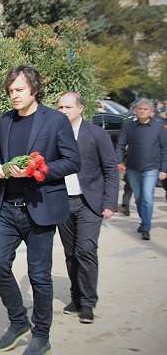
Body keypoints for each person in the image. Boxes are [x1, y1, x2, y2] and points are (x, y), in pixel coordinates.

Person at [0, 66, 80, 355]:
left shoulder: (55, 121)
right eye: (10, 91)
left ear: (34, 90)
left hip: (40, 208)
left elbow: (72, 161)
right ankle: (18, 321)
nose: (13, 95)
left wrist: (36, 170)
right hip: (7, 209)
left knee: (39, 276)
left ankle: (42, 335)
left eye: (19, 90)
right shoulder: (4, 121)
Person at [56, 92, 119, 324]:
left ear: (80, 108)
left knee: (85, 250)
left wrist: (110, 203)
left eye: (68, 107)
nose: (63, 111)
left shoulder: (96, 134)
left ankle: (88, 302)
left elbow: (111, 169)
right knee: (71, 254)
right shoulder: (54, 135)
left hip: (89, 202)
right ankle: (77, 297)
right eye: (60, 107)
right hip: (63, 203)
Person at [116, 98, 167, 240]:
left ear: (151, 112)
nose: (142, 111)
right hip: (133, 168)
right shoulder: (128, 126)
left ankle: (146, 227)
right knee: (139, 198)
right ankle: (144, 220)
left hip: (151, 168)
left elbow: (165, 149)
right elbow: (120, 145)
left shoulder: (159, 127)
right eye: (140, 109)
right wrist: (118, 161)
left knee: (147, 197)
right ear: (135, 111)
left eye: (145, 109)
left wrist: (164, 169)